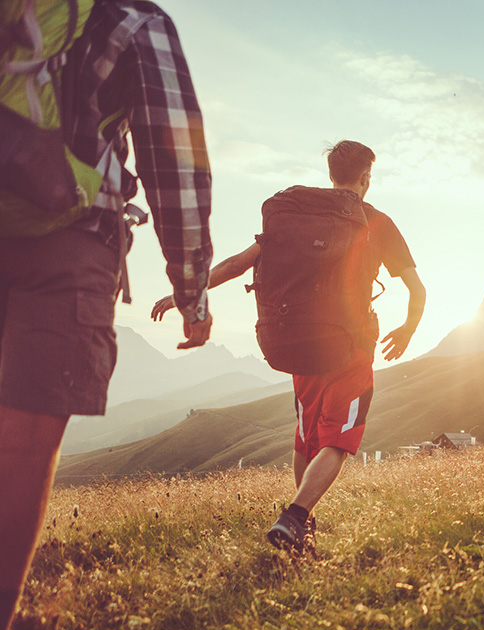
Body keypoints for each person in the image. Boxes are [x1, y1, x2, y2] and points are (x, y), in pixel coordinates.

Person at [0, 0, 212, 630]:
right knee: (24, 443)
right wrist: (192, 292)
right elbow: (175, 166)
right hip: (71, 241)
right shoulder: (136, 24)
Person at [152, 141, 425, 554]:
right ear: (365, 178)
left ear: (332, 175)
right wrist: (407, 329)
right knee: (340, 439)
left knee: (307, 438)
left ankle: (302, 529)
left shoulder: (292, 219)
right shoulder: (377, 222)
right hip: (351, 346)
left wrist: (182, 294)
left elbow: (235, 265)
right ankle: (296, 517)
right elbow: (416, 289)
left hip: (299, 342)